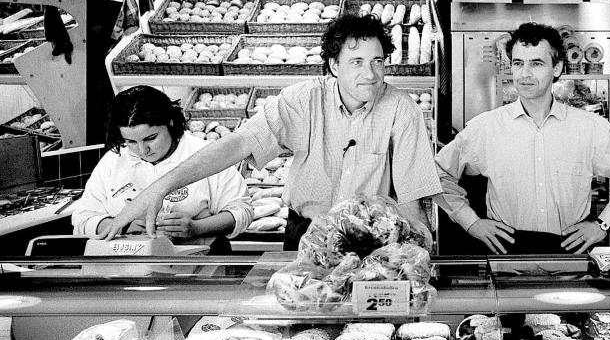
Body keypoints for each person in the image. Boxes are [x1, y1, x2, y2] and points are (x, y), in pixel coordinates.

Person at [99, 13, 443, 250]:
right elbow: (237, 144)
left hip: (372, 238)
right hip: (307, 232)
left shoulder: (402, 110)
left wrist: (416, 251)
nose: (370, 73)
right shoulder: (305, 99)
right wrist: (160, 186)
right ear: (334, 66)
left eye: (378, 61)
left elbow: (412, 205)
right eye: (357, 62)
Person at [436, 22, 610, 255]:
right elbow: (438, 174)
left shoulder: (588, 127)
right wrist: (471, 222)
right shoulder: (487, 127)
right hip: (507, 255)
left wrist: (602, 225)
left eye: (537, 63)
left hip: (571, 254)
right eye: (518, 63)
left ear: (557, 68)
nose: (525, 74)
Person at [71, 85, 253, 251]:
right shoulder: (113, 161)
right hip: (131, 266)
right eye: (131, 141)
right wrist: (121, 226)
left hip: (199, 263)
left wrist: (196, 228)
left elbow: (242, 211)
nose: (142, 150)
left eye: (150, 138)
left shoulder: (204, 154)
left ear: (170, 123)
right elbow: (82, 218)